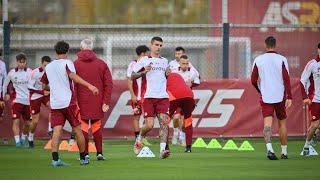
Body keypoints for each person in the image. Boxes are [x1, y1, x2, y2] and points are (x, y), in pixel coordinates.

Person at [41, 41, 98, 166]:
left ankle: (55, 160)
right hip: (68, 102)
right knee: (78, 130)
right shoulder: (68, 63)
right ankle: (83, 158)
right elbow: (72, 76)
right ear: (67, 51)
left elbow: (44, 86)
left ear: (56, 52)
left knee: (57, 131)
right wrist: (90, 86)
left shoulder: (49, 66)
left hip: (55, 104)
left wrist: (55, 88)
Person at [251, 36, 292, 160]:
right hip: (280, 95)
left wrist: (260, 90)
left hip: (266, 96)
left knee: (267, 125)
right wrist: (289, 96)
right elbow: (286, 79)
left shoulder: (258, 59)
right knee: (282, 124)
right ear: (275, 45)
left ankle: (270, 149)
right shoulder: (282, 59)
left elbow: (253, 80)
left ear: (265, 45)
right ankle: (284, 152)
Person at [131, 36, 171, 159]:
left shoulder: (165, 61)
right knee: (149, 125)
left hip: (163, 97)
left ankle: (162, 150)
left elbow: (166, 77)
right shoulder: (144, 60)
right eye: (156, 45)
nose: (158, 47)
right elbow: (132, 76)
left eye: (160, 45)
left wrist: (167, 74)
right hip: (149, 97)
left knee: (164, 123)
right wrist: (144, 72)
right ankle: (139, 138)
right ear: (151, 45)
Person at [74, 38, 113, 161]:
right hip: (97, 99)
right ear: (92, 49)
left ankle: (85, 153)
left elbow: (72, 85)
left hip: (80, 100)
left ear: (81, 48)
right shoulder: (101, 64)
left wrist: (74, 101)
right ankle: (99, 153)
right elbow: (109, 84)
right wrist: (106, 101)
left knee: (84, 127)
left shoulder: (75, 64)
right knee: (96, 126)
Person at [169, 47, 200, 146]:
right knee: (176, 117)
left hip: (187, 98)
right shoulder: (173, 70)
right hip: (176, 98)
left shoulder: (192, 71)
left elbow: (197, 81)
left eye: (187, 63)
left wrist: (191, 84)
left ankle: (182, 136)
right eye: (177, 53)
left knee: (184, 119)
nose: (185, 65)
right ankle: (175, 133)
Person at [3, 53, 32, 148]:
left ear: (26, 62)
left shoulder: (30, 72)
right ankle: (17, 142)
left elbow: (36, 83)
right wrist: (5, 94)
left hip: (28, 101)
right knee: (16, 121)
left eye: (24, 62)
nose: (22, 64)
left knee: (28, 124)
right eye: (20, 62)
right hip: (17, 101)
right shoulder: (12, 73)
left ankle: (23, 138)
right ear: (17, 62)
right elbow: (5, 84)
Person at [127, 45, 152, 145]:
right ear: (143, 53)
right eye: (148, 53)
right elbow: (129, 79)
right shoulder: (133, 64)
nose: (149, 55)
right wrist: (132, 95)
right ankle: (138, 138)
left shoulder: (148, 63)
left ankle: (142, 137)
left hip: (147, 96)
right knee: (137, 117)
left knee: (148, 118)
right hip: (137, 96)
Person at [167, 73, 195, 152]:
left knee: (165, 121)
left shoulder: (164, 78)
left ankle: (165, 146)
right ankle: (188, 147)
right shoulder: (178, 75)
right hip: (189, 95)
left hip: (175, 96)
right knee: (188, 120)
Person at [300, 42, 320, 156]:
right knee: (315, 124)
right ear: (318, 50)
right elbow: (302, 81)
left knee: (317, 125)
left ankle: (314, 136)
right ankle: (306, 146)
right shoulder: (312, 64)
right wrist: (305, 97)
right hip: (315, 99)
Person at [28, 56, 51, 148]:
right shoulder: (34, 73)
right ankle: (30, 136)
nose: (46, 68)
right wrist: (42, 91)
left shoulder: (51, 72)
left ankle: (50, 128)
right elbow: (30, 87)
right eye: (45, 65)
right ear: (41, 64)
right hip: (35, 97)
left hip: (46, 96)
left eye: (48, 66)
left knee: (53, 107)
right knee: (35, 121)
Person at [0, 50, 7, 128]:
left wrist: (6, 92)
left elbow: (5, 80)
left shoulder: (2, 65)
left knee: (0, 119)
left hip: (0, 94)